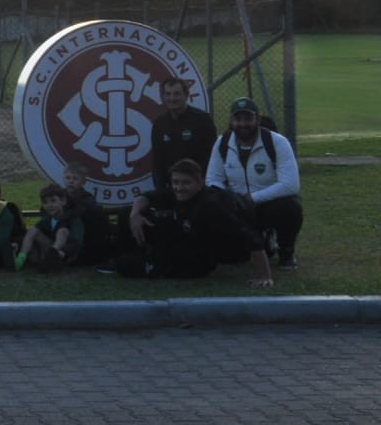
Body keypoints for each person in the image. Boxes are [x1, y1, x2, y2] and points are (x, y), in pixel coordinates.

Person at [118, 159, 274, 285]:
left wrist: (265, 276)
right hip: (188, 239)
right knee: (127, 213)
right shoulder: (177, 192)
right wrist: (134, 215)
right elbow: (145, 197)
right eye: (175, 182)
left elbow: (252, 239)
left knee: (126, 265)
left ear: (199, 184)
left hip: (204, 257)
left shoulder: (211, 207)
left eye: (186, 182)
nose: (179, 187)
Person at [206, 97, 303, 271]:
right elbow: (212, 180)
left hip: (267, 204)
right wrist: (230, 198)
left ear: (258, 119)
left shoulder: (277, 142)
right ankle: (262, 240)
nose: (243, 124)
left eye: (248, 118)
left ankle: (286, 252)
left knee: (291, 207)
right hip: (237, 206)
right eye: (238, 119)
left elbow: (291, 184)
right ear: (231, 120)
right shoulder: (222, 143)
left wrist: (253, 198)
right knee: (234, 257)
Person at [150, 77, 218, 189]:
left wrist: (201, 182)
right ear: (163, 97)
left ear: (186, 95)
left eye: (177, 94)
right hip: (171, 187)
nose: (172, 98)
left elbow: (212, 157)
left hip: (197, 186)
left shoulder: (203, 120)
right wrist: (161, 189)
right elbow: (157, 161)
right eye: (168, 94)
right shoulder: (159, 124)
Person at [16, 183, 81, 272]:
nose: (49, 205)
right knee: (33, 230)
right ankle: (20, 259)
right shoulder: (46, 219)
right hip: (47, 250)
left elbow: (76, 242)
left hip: (64, 255)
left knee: (62, 231)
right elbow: (35, 235)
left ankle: (51, 259)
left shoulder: (73, 219)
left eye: (53, 201)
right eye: (45, 202)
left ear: (63, 201)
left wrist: (64, 252)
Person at [62, 162, 109, 265]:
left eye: (75, 178)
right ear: (63, 179)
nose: (71, 181)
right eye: (68, 178)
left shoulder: (88, 198)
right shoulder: (59, 196)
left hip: (84, 233)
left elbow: (78, 213)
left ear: (83, 182)